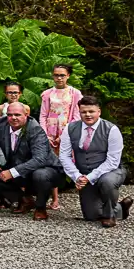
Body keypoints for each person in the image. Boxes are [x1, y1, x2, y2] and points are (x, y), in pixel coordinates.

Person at [58, 96, 134, 228]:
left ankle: (110, 215)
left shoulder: (112, 130)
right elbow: (64, 156)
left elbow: (112, 161)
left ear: (99, 111)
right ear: (79, 112)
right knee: (91, 216)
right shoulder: (70, 128)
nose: (87, 115)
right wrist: (77, 176)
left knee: (107, 182)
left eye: (91, 111)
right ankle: (121, 208)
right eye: (84, 112)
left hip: (112, 171)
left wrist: (89, 177)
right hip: (84, 173)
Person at [0, 104, 64, 220]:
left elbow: (40, 159)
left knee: (40, 175)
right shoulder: (1, 124)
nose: (13, 118)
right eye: (10, 115)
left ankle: (40, 208)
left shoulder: (35, 130)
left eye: (17, 115)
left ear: (26, 115)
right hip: (19, 166)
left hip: (47, 169)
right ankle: (25, 199)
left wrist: (13, 172)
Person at [40, 63, 83, 210]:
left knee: (71, 162)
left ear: (68, 76)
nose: (59, 78)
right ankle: (55, 198)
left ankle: (85, 195)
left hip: (67, 131)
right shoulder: (47, 94)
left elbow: (76, 117)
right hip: (50, 132)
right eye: (56, 75)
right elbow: (43, 115)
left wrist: (64, 135)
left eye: (62, 75)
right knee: (51, 164)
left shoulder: (75, 93)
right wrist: (45, 135)